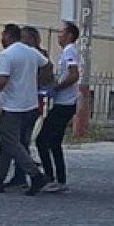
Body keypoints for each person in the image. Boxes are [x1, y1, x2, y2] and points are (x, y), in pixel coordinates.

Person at [0, 24, 51, 196]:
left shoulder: (7, 55)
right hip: (30, 105)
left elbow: (2, 80)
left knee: (7, 139)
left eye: (3, 35)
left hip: (13, 106)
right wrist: (40, 81)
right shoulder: (31, 52)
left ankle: (35, 175)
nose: (1, 39)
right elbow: (48, 65)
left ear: (8, 35)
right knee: (10, 140)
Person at [35, 21, 80, 193]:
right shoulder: (67, 52)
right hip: (65, 103)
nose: (58, 36)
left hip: (64, 103)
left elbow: (74, 75)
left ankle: (49, 177)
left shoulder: (69, 51)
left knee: (42, 140)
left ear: (69, 35)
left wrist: (57, 87)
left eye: (61, 32)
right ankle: (60, 179)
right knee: (55, 142)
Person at [8, 26, 47, 186]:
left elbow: (46, 72)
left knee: (20, 140)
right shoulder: (26, 53)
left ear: (32, 39)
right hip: (24, 102)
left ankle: (28, 174)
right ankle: (20, 174)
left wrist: (38, 85)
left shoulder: (37, 54)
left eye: (23, 37)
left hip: (30, 104)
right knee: (18, 140)